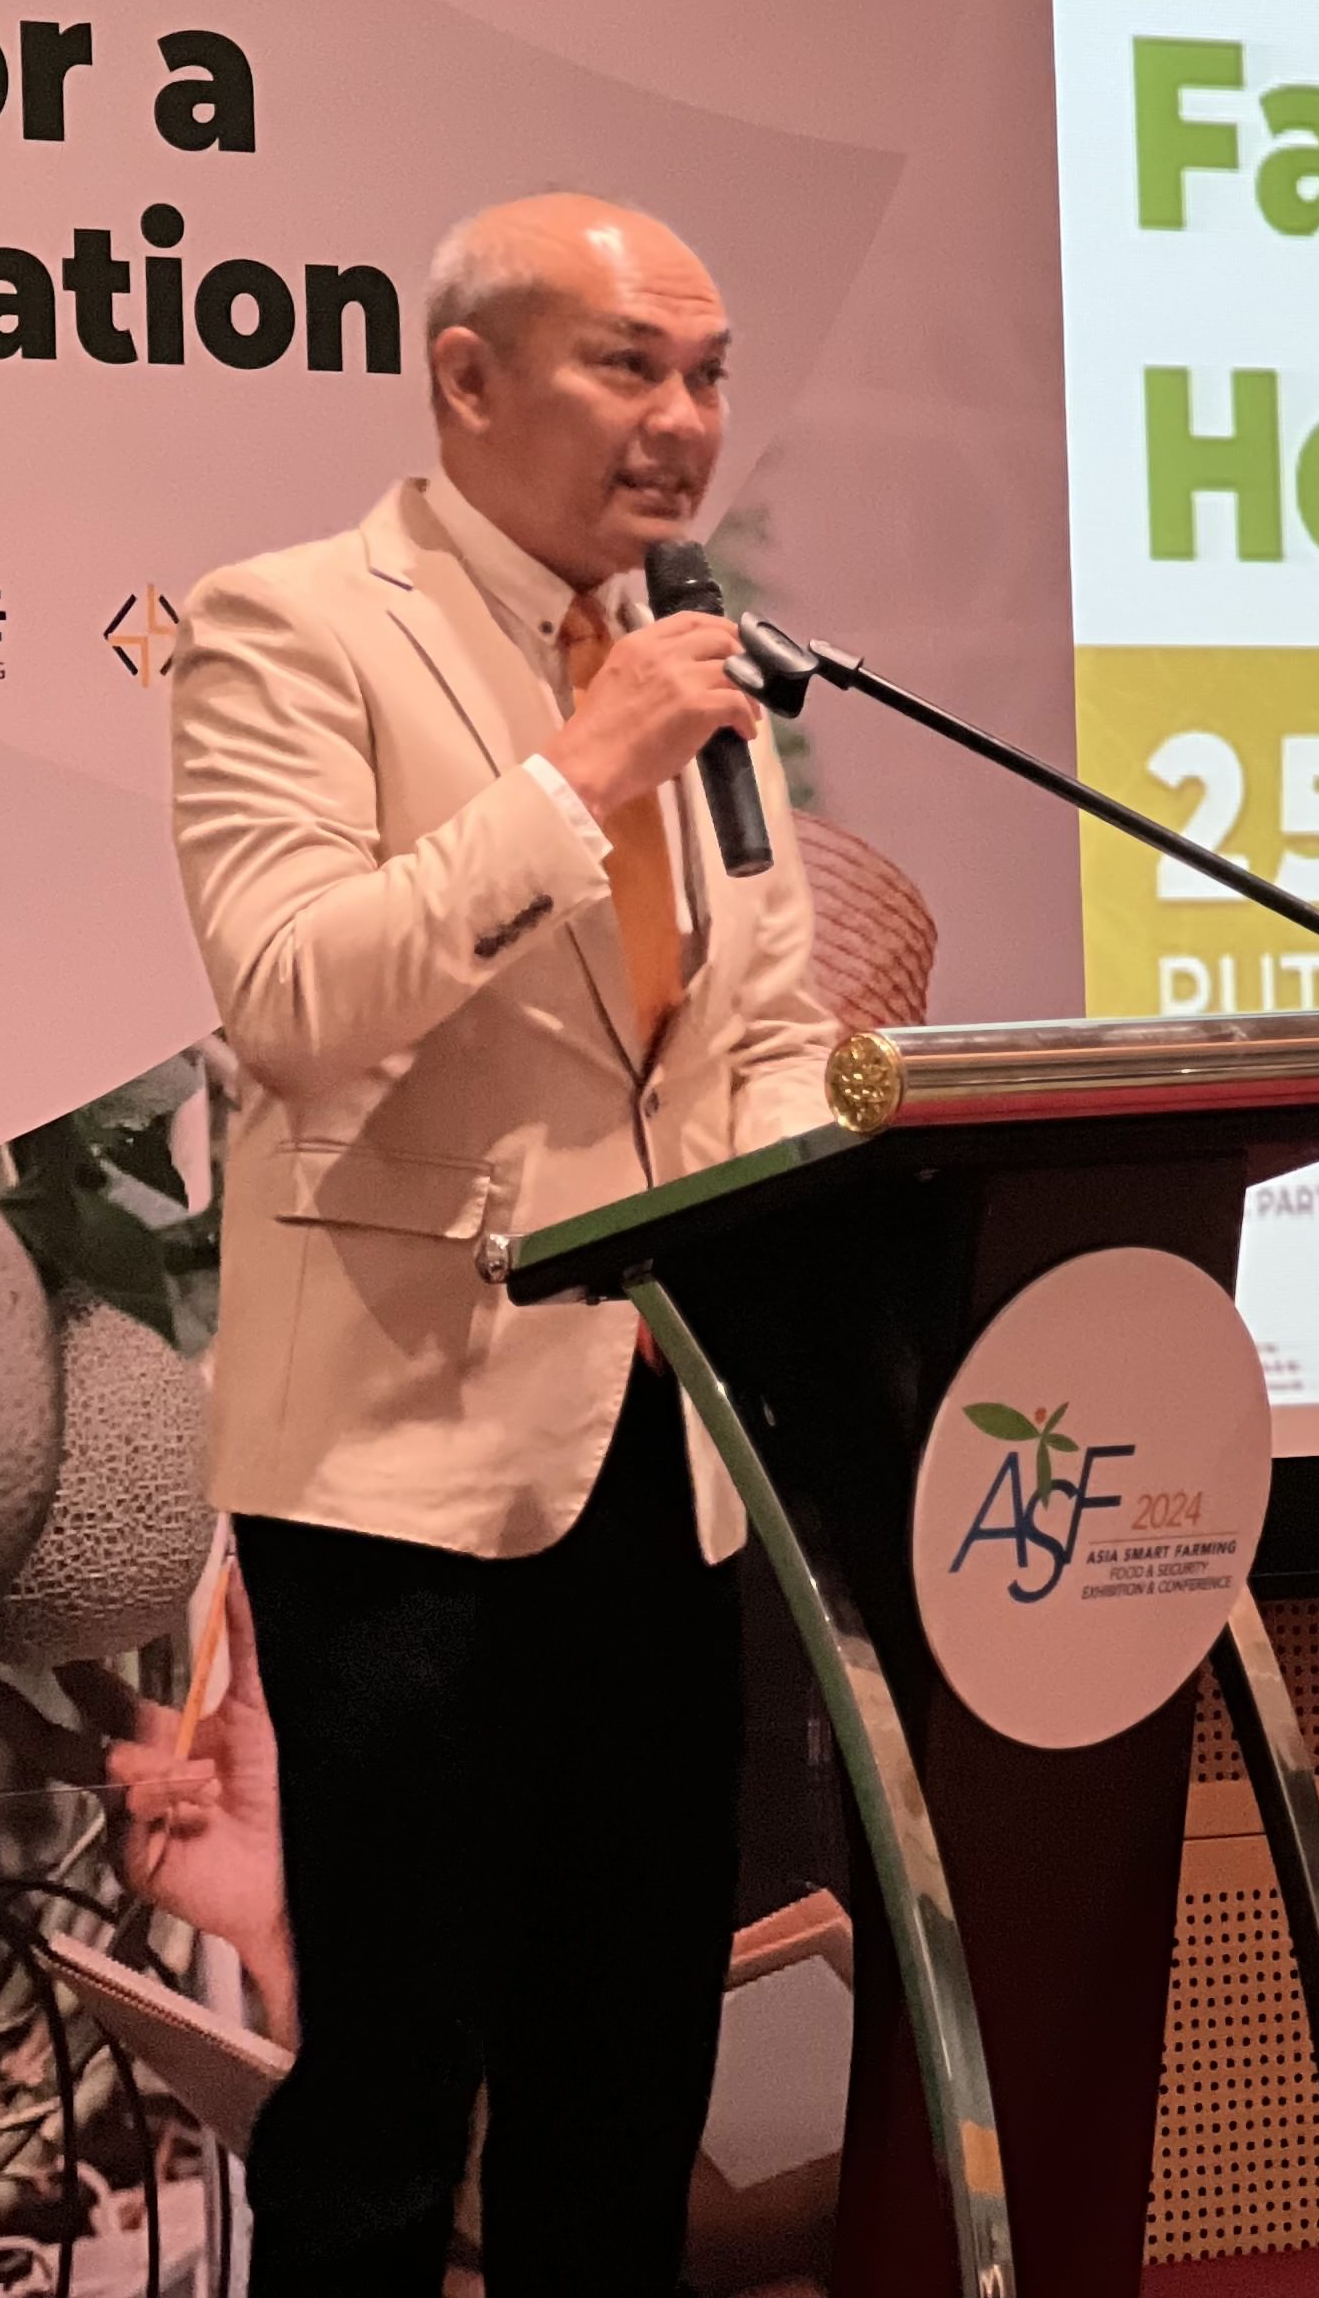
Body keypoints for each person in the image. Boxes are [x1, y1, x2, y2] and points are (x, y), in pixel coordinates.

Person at [168, 193, 834, 2298]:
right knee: (387, 2103)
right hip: (401, 1470)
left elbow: (760, 1036)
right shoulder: (291, 626)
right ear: (466, 378)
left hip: (658, 1454)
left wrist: (813, 1165)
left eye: (707, 376)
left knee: (624, 2081)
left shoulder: (693, 667)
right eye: (629, 365)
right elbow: (295, 996)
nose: (683, 421)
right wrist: (582, 768)